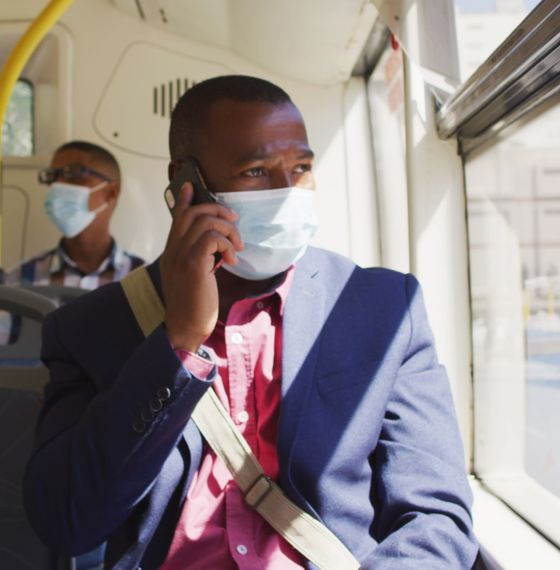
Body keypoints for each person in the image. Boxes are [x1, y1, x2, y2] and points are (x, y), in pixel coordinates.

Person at [24, 76, 477, 568]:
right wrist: (176, 342)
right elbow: (66, 521)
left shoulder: (381, 308)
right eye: (257, 171)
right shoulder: (92, 326)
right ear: (185, 183)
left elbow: (436, 519)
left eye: (301, 168)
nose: (288, 193)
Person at [0, 141, 145, 345]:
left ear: (110, 192)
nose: (58, 186)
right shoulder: (18, 280)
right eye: (53, 176)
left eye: (73, 174)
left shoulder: (144, 281)